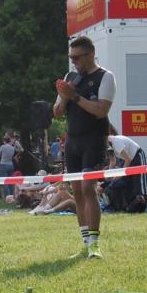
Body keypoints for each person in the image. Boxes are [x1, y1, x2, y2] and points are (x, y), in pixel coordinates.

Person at [54, 35, 116, 259]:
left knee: (89, 188)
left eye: (77, 58)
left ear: (90, 55)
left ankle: (95, 244)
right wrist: (64, 98)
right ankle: (85, 242)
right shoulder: (70, 77)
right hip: (72, 141)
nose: (74, 62)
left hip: (94, 139)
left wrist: (75, 96)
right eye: (71, 58)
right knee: (77, 191)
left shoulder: (105, 77)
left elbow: (101, 110)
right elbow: (57, 113)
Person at [107, 129, 147, 201]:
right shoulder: (107, 146)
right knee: (126, 181)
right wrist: (109, 174)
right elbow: (113, 161)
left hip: (137, 155)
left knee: (138, 180)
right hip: (126, 159)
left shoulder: (116, 142)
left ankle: (143, 200)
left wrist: (120, 174)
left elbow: (128, 159)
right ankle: (131, 203)